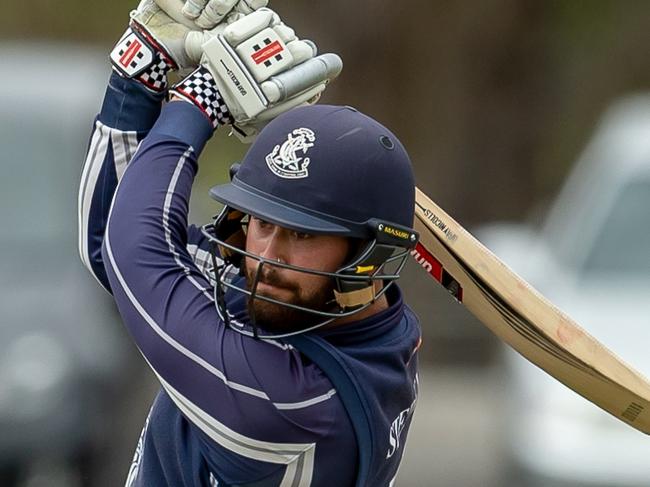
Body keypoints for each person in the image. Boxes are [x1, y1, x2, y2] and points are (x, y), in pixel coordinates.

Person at [78, 1, 422, 485]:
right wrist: (140, 72)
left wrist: (199, 103)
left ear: (371, 257)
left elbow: (135, 253)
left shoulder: (295, 408)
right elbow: (110, 247)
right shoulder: (331, 311)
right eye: (262, 222)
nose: (267, 258)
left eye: (303, 234)